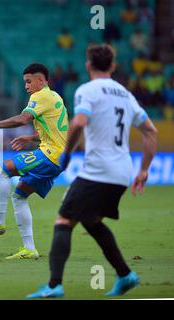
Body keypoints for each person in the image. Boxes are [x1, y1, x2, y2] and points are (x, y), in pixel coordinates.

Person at [27, 44, 157, 299]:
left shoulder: (87, 90)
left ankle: (54, 286)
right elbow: (150, 131)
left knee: (63, 221)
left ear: (88, 65)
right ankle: (125, 274)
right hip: (123, 172)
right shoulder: (126, 95)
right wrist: (143, 170)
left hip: (98, 170)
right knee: (91, 220)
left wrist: (67, 153)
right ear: (113, 66)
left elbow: (79, 122)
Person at [0, 63, 68, 260]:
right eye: (25, 82)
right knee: (19, 196)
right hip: (59, 158)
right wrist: (31, 138)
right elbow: (58, 132)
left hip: (50, 155)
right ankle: (29, 249)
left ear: (41, 80)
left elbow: (23, 119)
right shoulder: (55, 97)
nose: (26, 86)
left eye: (29, 81)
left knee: (2, 170)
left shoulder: (40, 96)